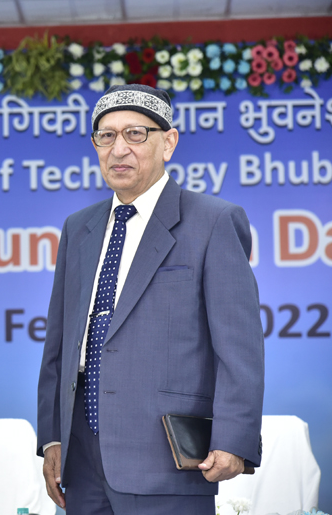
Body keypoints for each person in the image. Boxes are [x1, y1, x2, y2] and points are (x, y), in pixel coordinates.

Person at [37, 84, 264, 514]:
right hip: (81, 460)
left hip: (168, 459)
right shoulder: (78, 228)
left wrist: (235, 438)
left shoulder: (213, 222)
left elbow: (240, 347)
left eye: (135, 134)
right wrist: (52, 438)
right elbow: (60, 345)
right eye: (106, 136)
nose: (118, 149)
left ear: (169, 143)